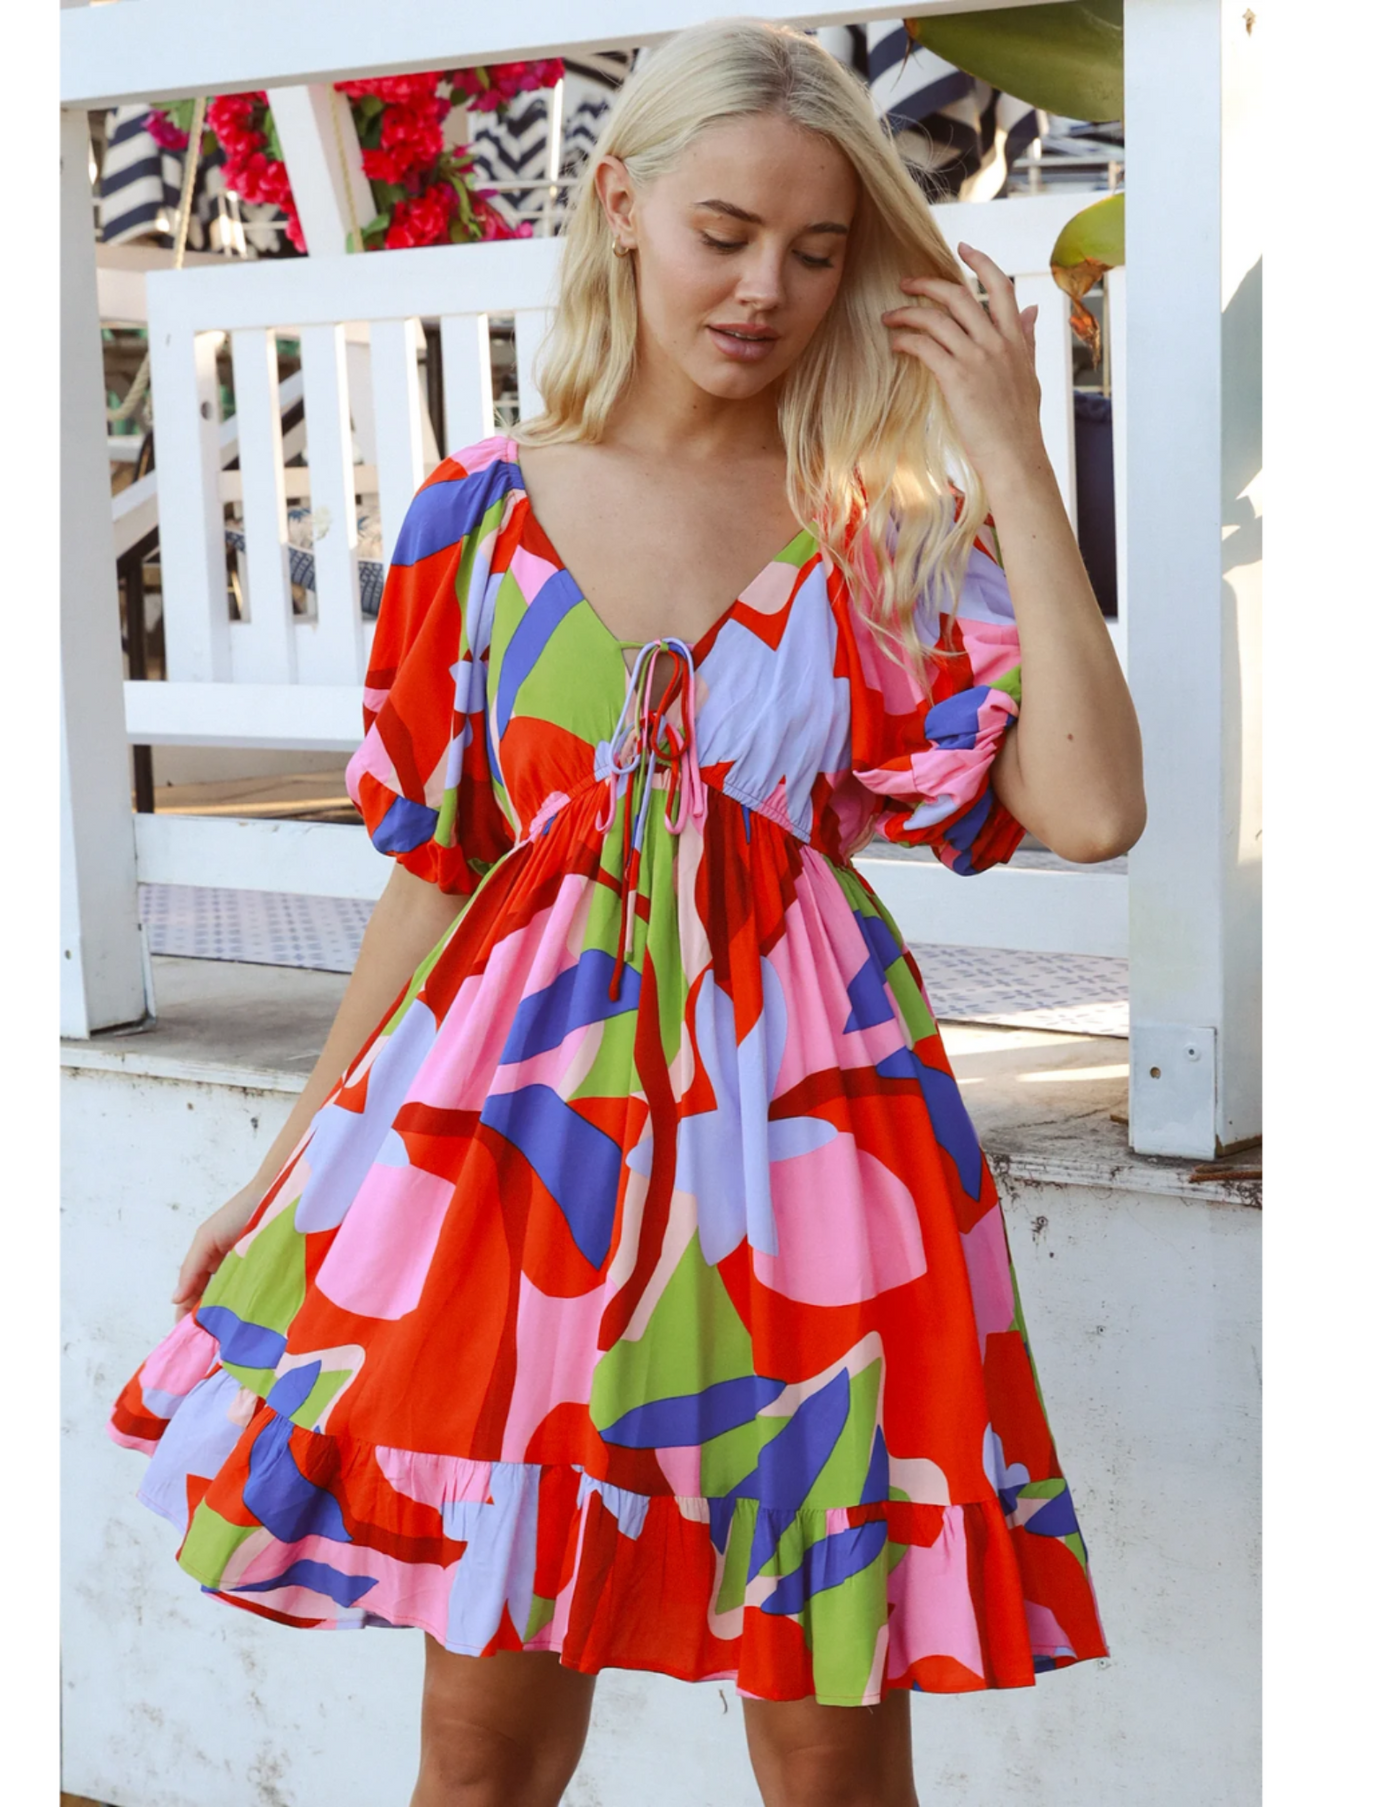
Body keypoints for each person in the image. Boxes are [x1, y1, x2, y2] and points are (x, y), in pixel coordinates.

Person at [108, 18, 1143, 1807]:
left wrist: (1011, 460)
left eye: (820, 252)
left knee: (830, 1761)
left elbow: (1097, 807)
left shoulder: (879, 530)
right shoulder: (474, 519)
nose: (769, 290)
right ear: (622, 207)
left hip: (817, 1185)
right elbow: (435, 873)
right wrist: (283, 1170)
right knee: (487, 1754)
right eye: (727, 232)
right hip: (515, 1189)